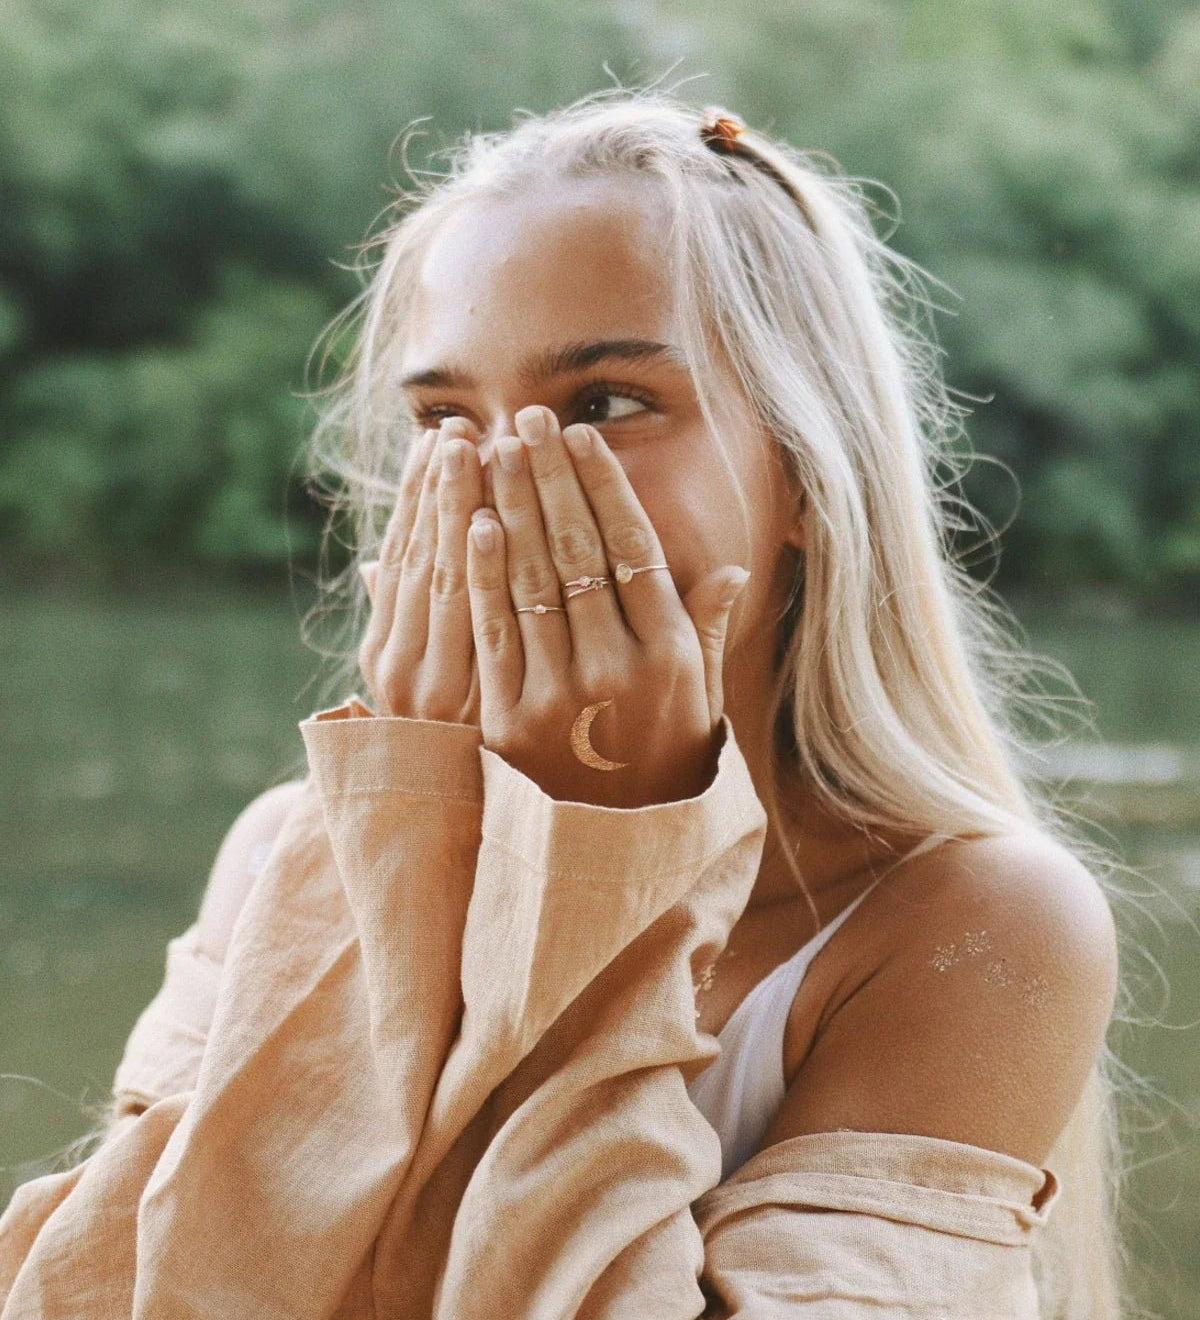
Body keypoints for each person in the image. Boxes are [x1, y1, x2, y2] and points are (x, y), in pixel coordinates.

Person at [2, 88, 1130, 1317]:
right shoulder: (287, 851)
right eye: (445, 419)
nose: (502, 481)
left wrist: (606, 860)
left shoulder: (971, 925)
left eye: (603, 405)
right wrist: (393, 835)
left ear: (810, 471)